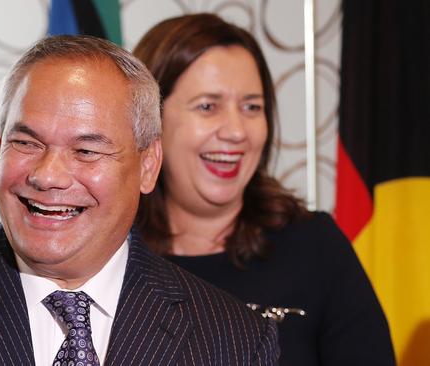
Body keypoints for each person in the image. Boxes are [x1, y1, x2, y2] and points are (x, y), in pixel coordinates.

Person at [0, 35, 280, 366]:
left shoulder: (234, 339)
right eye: (27, 143)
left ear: (147, 165)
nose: (47, 176)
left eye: (86, 150)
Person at [133, 13, 395, 366]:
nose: (237, 130)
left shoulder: (314, 245)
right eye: (208, 106)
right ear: (151, 123)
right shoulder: (110, 253)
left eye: (251, 107)